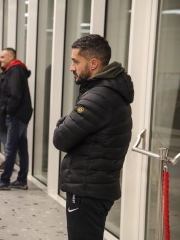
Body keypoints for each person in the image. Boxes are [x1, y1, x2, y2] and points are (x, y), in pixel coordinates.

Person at [53, 34, 134, 240]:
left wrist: (63, 121)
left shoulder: (100, 96)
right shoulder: (106, 91)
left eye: (75, 61)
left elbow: (61, 138)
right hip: (95, 186)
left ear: (94, 63)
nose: (72, 67)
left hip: (87, 190)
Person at [0, 48, 33, 190]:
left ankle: (5, 180)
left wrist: (8, 111)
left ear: (11, 57)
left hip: (15, 116)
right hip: (21, 116)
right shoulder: (17, 70)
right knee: (22, 148)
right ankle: (21, 180)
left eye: (2, 57)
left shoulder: (15, 70)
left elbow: (15, 94)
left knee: (11, 148)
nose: (0, 60)